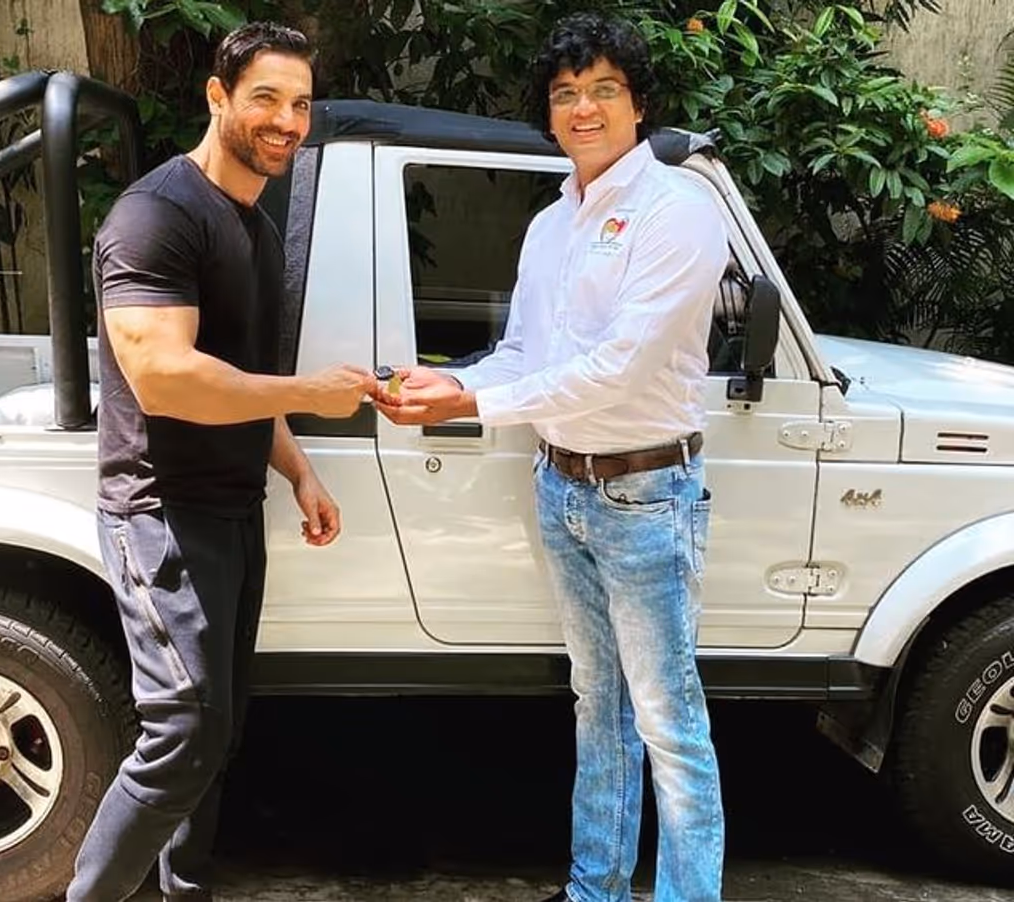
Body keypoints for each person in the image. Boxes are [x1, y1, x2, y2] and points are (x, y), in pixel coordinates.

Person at [376, 12, 728, 902]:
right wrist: (454, 379)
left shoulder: (679, 212)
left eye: (604, 89)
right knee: (597, 705)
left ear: (639, 105)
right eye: (566, 93)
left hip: (647, 490)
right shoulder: (550, 225)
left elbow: (618, 369)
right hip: (562, 485)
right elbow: (527, 355)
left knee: (668, 720)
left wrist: (470, 403)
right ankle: (592, 890)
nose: (584, 108)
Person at [67, 22, 375, 902]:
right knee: (186, 732)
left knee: (218, 732)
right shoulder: (157, 215)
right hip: (160, 511)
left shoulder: (256, 227)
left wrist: (298, 469)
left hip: (233, 510)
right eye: (266, 99)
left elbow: (239, 377)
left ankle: (184, 888)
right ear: (218, 96)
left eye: (300, 104)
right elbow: (165, 378)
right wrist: (310, 391)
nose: (286, 121)